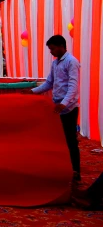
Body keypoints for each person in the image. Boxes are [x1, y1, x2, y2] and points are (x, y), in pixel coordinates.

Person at [30, 35, 81, 181]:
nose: (51, 52)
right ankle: (64, 169)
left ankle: (76, 171)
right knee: (59, 139)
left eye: (52, 49)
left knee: (70, 140)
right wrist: (32, 91)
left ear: (60, 46)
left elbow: (73, 87)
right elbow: (48, 83)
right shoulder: (55, 63)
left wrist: (63, 103)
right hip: (58, 106)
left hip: (68, 108)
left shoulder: (72, 62)